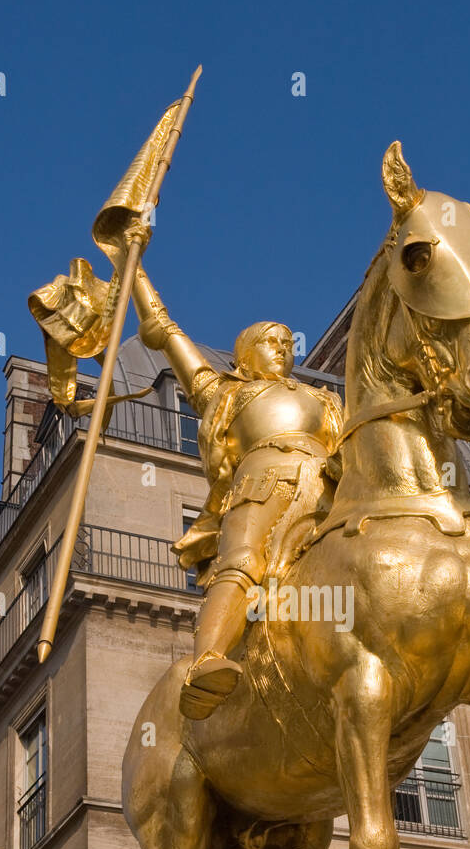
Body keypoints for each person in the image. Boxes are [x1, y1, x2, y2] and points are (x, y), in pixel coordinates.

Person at [130, 260, 343, 719]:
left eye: (288, 344)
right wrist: (135, 273)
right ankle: (207, 660)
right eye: (271, 342)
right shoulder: (226, 393)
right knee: (243, 562)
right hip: (262, 484)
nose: (283, 350)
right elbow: (166, 332)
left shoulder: (325, 400)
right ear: (245, 354)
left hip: (328, 485)